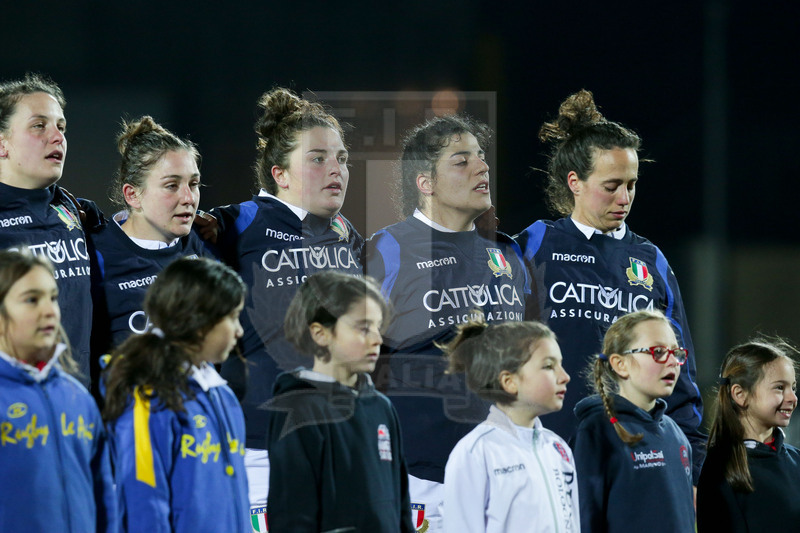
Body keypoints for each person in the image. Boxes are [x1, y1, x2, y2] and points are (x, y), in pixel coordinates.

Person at [515, 89, 705, 480]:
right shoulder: (535, 244)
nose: (625, 197)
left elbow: (679, 367)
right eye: (612, 185)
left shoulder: (650, 261)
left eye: (632, 184)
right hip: (546, 450)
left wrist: (693, 464)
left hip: (634, 455)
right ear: (575, 182)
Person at [202, 87, 362, 523]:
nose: (336, 170)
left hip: (339, 435)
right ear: (280, 174)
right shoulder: (236, 223)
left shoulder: (347, 234)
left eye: (342, 159)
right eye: (318, 159)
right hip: (261, 444)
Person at [365, 114, 528, 532]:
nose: (482, 167)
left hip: (507, 472)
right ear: (426, 182)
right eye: (461, 161)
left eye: (481, 157)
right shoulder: (387, 249)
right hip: (423, 478)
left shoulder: (507, 256)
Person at [103, 257, 250, 533]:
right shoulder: (149, 398)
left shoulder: (222, 394)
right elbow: (143, 501)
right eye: (232, 317)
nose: (239, 330)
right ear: (198, 321)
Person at [265, 271, 413, 532]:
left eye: (378, 327)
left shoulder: (381, 407)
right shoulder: (299, 409)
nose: (378, 339)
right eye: (364, 328)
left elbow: (400, 509)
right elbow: (292, 514)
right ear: (321, 334)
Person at [86, 115, 210, 395]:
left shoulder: (205, 244)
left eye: (194, 183)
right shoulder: (95, 257)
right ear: (132, 195)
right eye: (171, 185)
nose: (188, 198)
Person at [0, 249, 116, 532]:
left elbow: (104, 501)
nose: (50, 310)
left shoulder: (77, 397)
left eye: (52, 297)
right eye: (31, 300)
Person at [442, 317, 579, 533]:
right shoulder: (476, 452)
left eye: (561, 365)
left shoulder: (558, 448)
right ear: (510, 381)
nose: (565, 376)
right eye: (549, 366)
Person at [0, 73, 94, 385]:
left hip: (77, 407)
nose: (57, 137)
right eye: (39, 125)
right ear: (3, 144)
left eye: (61, 127)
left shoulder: (74, 210)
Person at [572, 309, 695, 533]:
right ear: (621, 364)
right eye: (658, 352)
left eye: (676, 353)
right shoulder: (598, 430)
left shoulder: (675, 433)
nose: (672, 362)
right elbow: (584, 519)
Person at [697, 338, 800, 531]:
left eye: (793, 387)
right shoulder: (719, 468)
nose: (793, 398)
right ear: (740, 394)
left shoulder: (796, 460)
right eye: (780, 387)